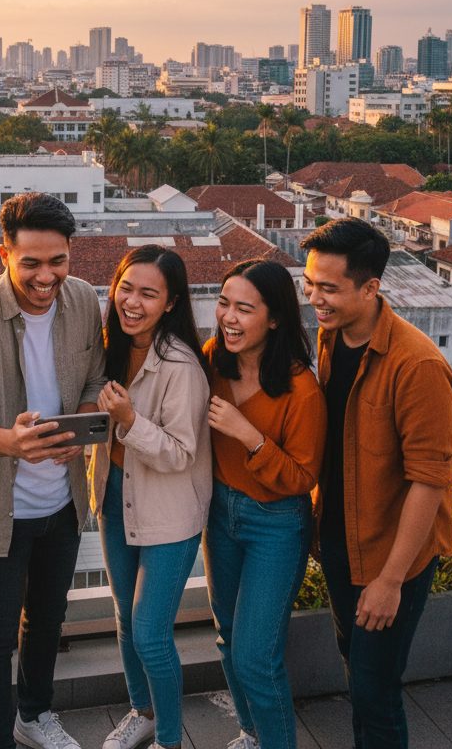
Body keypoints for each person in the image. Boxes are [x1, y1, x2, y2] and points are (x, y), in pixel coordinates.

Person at [0, 193, 107, 749]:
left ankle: (34, 716)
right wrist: (12, 442)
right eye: (31, 263)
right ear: (4, 254)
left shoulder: (85, 299)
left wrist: (80, 428)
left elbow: (93, 384)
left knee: (47, 621)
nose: (46, 276)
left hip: (62, 502)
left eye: (58, 261)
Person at [299, 218, 452, 748]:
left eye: (329, 288)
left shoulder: (418, 366)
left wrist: (389, 582)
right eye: (310, 282)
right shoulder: (330, 336)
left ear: (371, 287)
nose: (314, 297)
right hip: (343, 541)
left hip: (393, 558)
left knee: (375, 688)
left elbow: (429, 482)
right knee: (358, 673)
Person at [200, 259, 327, 749]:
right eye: (224, 303)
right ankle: (251, 733)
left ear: (274, 319)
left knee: (257, 654)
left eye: (244, 309)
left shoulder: (301, 389)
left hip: (276, 524)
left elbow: (301, 477)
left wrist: (249, 436)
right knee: (229, 636)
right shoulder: (213, 357)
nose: (229, 317)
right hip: (220, 512)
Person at [89, 246, 211, 749]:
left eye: (148, 293)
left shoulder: (181, 365)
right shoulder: (109, 346)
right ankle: (141, 711)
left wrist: (130, 422)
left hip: (169, 511)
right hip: (115, 496)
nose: (132, 302)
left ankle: (168, 737)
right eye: (126, 287)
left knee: (151, 633)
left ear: (172, 302)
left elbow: (182, 452)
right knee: (124, 617)